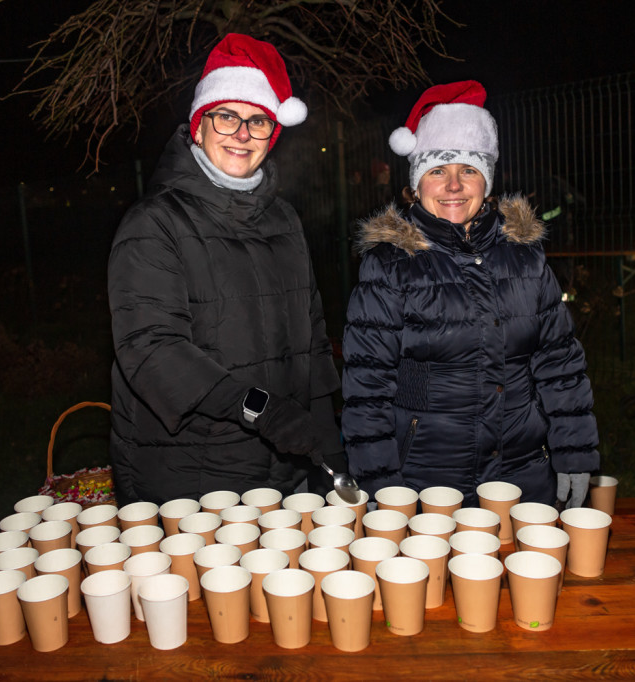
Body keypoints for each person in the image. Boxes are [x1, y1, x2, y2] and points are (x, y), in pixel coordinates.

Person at [107, 33, 345, 505]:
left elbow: (313, 340)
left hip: (286, 469)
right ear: (198, 127)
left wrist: (327, 441)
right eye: (226, 116)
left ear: (272, 136)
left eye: (258, 121)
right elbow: (152, 350)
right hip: (188, 476)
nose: (242, 133)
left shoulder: (285, 221)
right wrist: (262, 409)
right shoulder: (154, 223)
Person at [341, 81, 599, 509]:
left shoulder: (526, 257)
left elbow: (560, 364)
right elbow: (367, 388)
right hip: (427, 484)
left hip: (523, 474)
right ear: (416, 183)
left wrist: (574, 449)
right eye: (438, 170)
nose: (454, 185)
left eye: (469, 170)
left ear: (487, 181)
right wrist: (380, 484)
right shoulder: (389, 266)